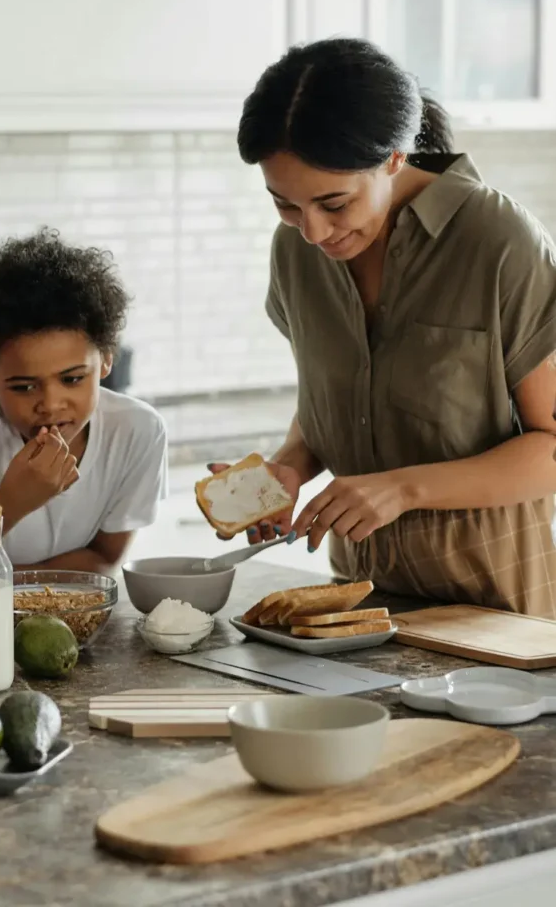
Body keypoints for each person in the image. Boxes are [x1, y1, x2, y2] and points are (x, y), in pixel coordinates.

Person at [215, 36, 556, 617]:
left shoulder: (497, 241)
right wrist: (288, 469)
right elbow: (335, 405)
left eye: (335, 203)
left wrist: (401, 489)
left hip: (499, 609)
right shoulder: (295, 252)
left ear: (395, 158)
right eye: (286, 205)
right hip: (359, 606)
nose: (314, 233)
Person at [0, 229, 168, 576]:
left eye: (72, 379)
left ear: (107, 360)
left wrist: (4, 581)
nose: (50, 405)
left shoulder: (138, 430)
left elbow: (104, 559)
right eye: (23, 387)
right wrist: (12, 502)